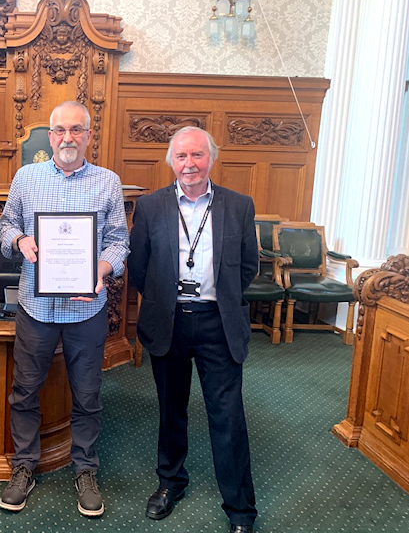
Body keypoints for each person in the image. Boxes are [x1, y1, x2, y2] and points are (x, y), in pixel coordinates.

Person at [0, 101, 129, 517]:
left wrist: (102, 268)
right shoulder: (26, 177)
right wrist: (19, 242)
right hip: (35, 307)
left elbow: (119, 242)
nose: (67, 138)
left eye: (76, 130)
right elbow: (5, 227)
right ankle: (23, 467)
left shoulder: (108, 182)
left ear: (89, 135)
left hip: (86, 311)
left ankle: (85, 469)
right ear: (49, 136)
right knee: (25, 392)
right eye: (59, 130)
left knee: (88, 394)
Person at [127, 126, 259, 533]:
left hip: (219, 324)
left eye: (197, 155)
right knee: (171, 412)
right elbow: (139, 268)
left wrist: (217, 300)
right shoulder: (151, 207)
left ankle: (240, 509)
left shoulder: (239, 205)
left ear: (211, 159)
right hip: (169, 322)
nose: (190, 164)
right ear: (171, 162)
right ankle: (170, 483)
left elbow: (248, 265)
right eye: (182, 156)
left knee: (228, 417)